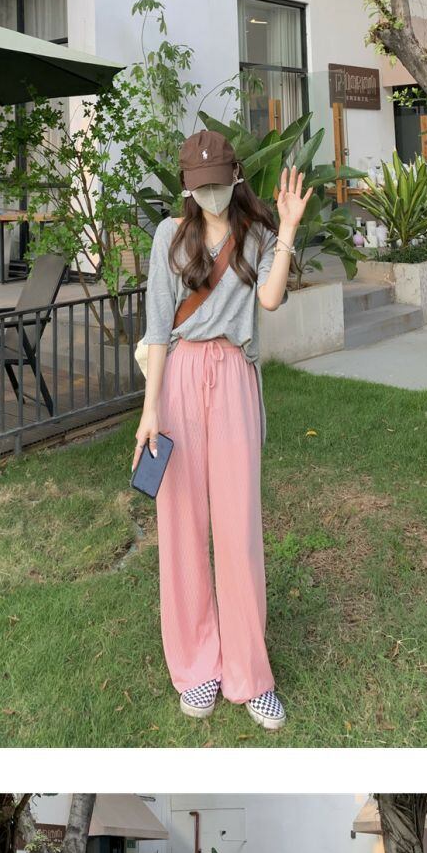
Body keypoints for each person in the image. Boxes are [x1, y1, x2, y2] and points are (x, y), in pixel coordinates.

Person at [132, 129, 312, 730]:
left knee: (239, 528)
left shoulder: (256, 234)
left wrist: (288, 229)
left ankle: (249, 673)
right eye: (200, 186)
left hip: (233, 377)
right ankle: (197, 666)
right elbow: (159, 328)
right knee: (181, 524)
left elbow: (271, 300)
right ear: (187, 187)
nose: (210, 194)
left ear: (235, 177)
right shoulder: (169, 236)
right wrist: (150, 410)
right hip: (180, 379)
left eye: (218, 183)